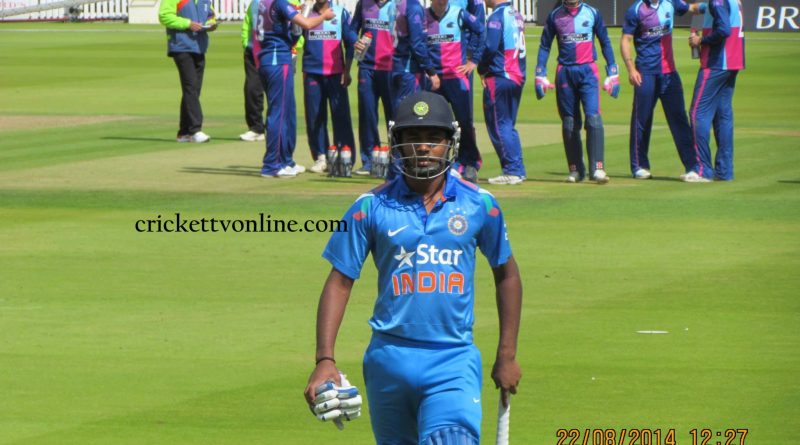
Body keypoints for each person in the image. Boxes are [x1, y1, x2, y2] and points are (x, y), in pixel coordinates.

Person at [304, 91, 522, 445]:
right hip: (387, 361)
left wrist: (507, 355)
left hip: (452, 359)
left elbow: (507, 275)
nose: (423, 148)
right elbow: (339, 281)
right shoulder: (368, 207)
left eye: (434, 139)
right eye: (413, 139)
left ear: (450, 143)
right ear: (398, 144)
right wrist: (324, 358)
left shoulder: (480, 205)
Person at [245, 0, 335, 178]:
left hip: (267, 58)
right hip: (277, 59)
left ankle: (284, 161)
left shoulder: (262, 3)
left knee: (283, 112)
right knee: (278, 113)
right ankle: (272, 164)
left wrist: (301, 12)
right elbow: (307, 24)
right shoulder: (279, 3)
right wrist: (324, 16)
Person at [535, 0, 620, 184]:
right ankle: (576, 170)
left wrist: (612, 71)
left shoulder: (592, 13)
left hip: (588, 71)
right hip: (565, 72)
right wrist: (540, 73)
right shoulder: (555, 16)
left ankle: (598, 169)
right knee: (569, 122)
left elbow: (604, 41)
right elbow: (545, 45)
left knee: (593, 118)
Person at [621, 0, 705, 179]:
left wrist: (713, 5)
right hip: (645, 73)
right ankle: (639, 166)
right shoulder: (636, 10)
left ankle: (692, 167)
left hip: (669, 74)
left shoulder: (670, 3)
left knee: (679, 120)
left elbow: (692, 8)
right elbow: (625, 40)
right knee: (641, 120)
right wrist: (631, 69)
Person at [424, 0, 484, 183]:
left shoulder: (459, 13)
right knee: (434, 123)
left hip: (456, 77)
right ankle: (440, 162)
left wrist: (474, 61)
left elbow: (481, 30)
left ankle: (470, 162)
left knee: (464, 121)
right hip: (434, 79)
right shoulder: (424, 17)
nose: (442, 2)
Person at [685, 0, 744, 182]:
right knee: (722, 115)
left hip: (717, 63)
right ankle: (725, 171)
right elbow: (702, 8)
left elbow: (724, 29)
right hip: (733, 61)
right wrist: (688, 7)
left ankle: (703, 170)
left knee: (697, 113)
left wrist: (700, 40)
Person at [300, 0, 359, 173]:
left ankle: (345, 155)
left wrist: (347, 70)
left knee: (341, 116)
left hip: (336, 73)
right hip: (312, 71)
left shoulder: (340, 12)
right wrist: (305, 11)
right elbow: (294, 34)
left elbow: (350, 43)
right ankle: (321, 156)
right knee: (315, 116)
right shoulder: (306, 12)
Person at [239, 0, 305, 143]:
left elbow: (297, 28)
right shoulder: (256, 2)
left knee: (277, 94)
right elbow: (248, 22)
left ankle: (277, 131)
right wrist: (246, 43)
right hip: (255, 51)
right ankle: (256, 128)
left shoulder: (288, 2)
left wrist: (294, 48)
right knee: (252, 89)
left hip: (278, 51)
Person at [477, 0, 527, 185]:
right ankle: (517, 169)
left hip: (500, 76)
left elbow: (490, 46)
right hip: (516, 75)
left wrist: (481, 67)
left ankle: (512, 170)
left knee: (499, 125)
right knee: (508, 124)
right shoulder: (516, 14)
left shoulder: (497, 16)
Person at [349, 0, 398, 175]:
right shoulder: (364, 3)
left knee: (393, 116)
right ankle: (369, 160)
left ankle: (396, 161)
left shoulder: (398, 4)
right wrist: (355, 41)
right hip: (367, 67)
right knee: (367, 113)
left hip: (391, 68)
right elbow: (351, 29)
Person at [159, 0, 217, 143]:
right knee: (190, 87)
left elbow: (211, 15)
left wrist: (211, 24)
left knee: (193, 90)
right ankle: (195, 130)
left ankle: (184, 132)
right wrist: (187, 23)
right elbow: (164, 16)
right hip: (181, 46)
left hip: (199, 46)